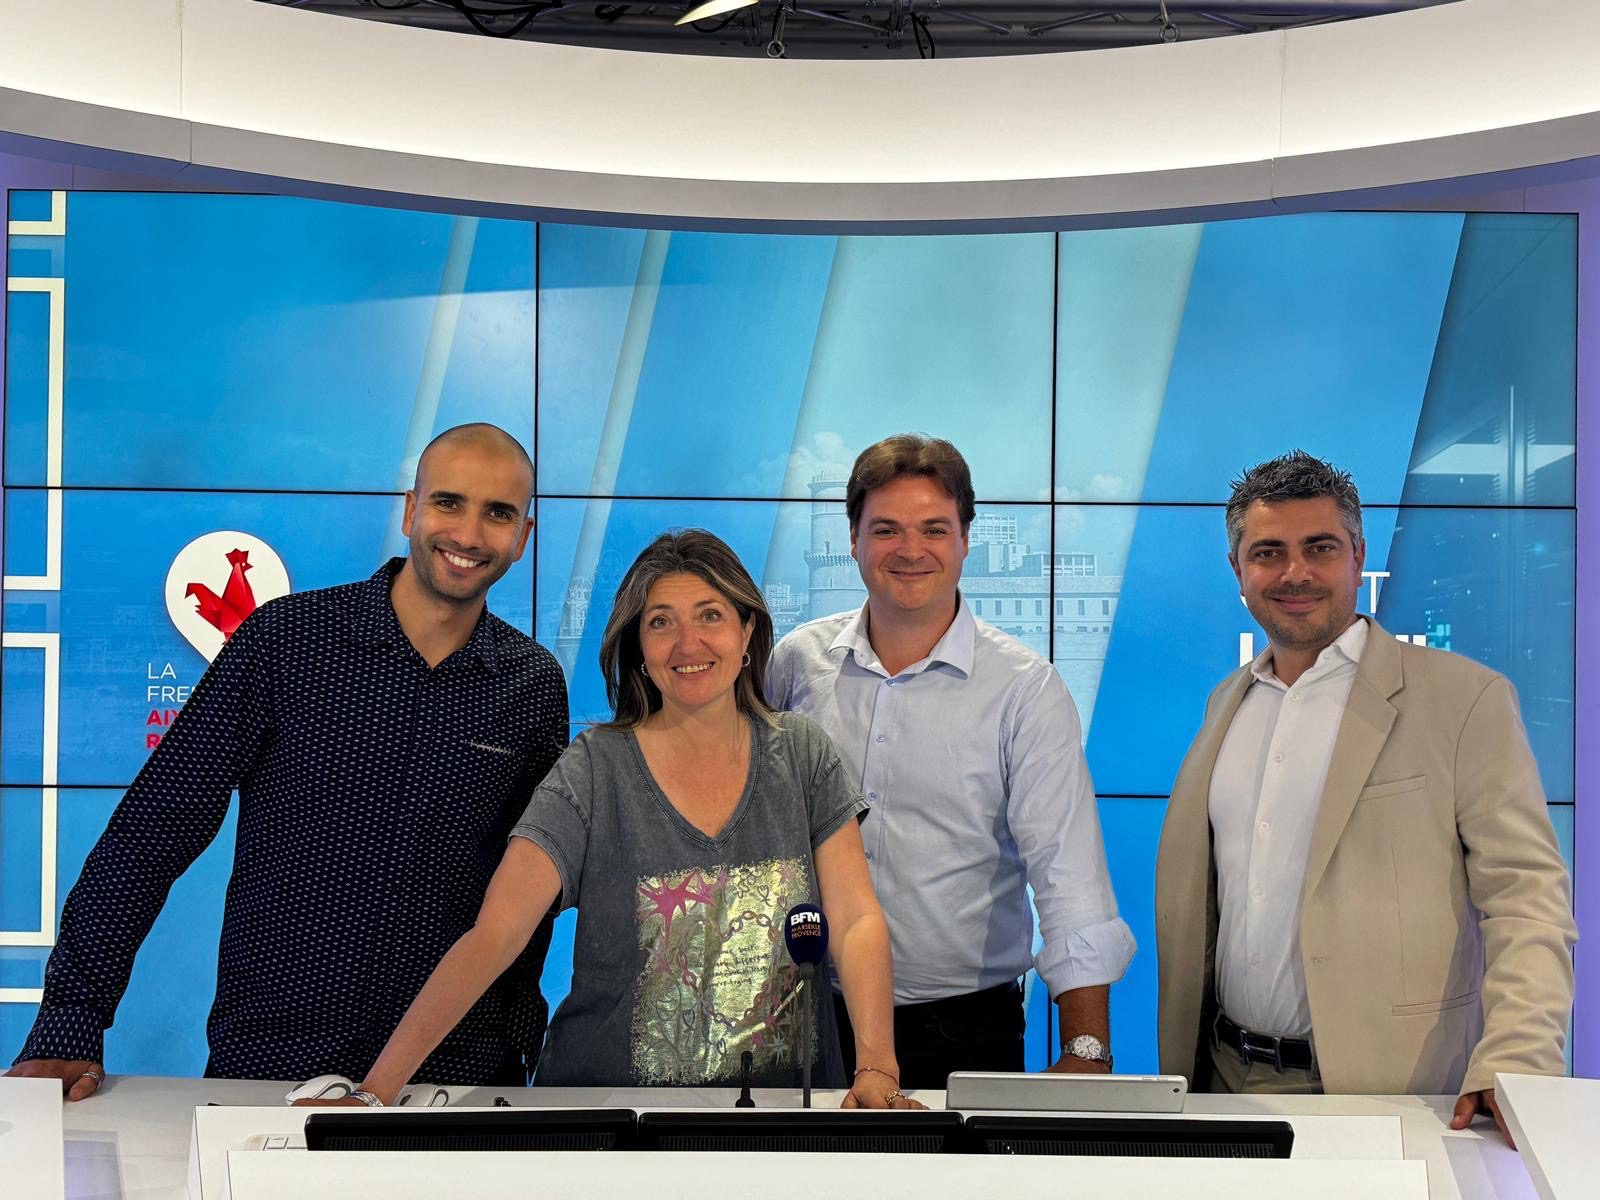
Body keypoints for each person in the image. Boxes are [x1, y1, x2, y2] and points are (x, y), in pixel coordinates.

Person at [8, 423, 568, 1098]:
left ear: (523, 537)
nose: (470, 534)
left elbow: (532, 892)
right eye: (449, 502)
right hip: (272, 1065)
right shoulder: (287, 641)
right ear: (410, 510)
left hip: (457, 1076)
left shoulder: (533, 685)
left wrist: (519, 1045)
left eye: (498, 513)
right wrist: (70, 1020)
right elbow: (151, 832)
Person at [310, 530, 914, 1108]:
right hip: (605, 1118)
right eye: (661, 623)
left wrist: (877, 1069)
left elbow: (855, 918)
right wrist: (376, 1090)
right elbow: (497, 934)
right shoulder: (594, 767)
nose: (688, 644)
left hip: (783, 1112)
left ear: (747, 629)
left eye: (710, 615)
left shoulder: (803, 753)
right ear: (639, 650)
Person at [1155, 450, 1576, 1139]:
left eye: (1319, 547)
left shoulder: (1464, 700)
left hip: (1395, 1093)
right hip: (1223, 1082)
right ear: (1238, 571)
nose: (1295, 573)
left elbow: (1527, 900)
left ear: (1357, 556)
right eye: (1268, 552)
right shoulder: (1226, 704)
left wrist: (1516, 1059)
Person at [767, 435, 1134, 1088]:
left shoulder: (1025, 689)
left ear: (965, 538)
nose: (911, 550)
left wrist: (1086, 1048)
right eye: (886, 529)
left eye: (934, 529)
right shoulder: (795, 663)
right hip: (803, 1019)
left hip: (967, 1032)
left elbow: (1067, 875)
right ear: (852, 540)